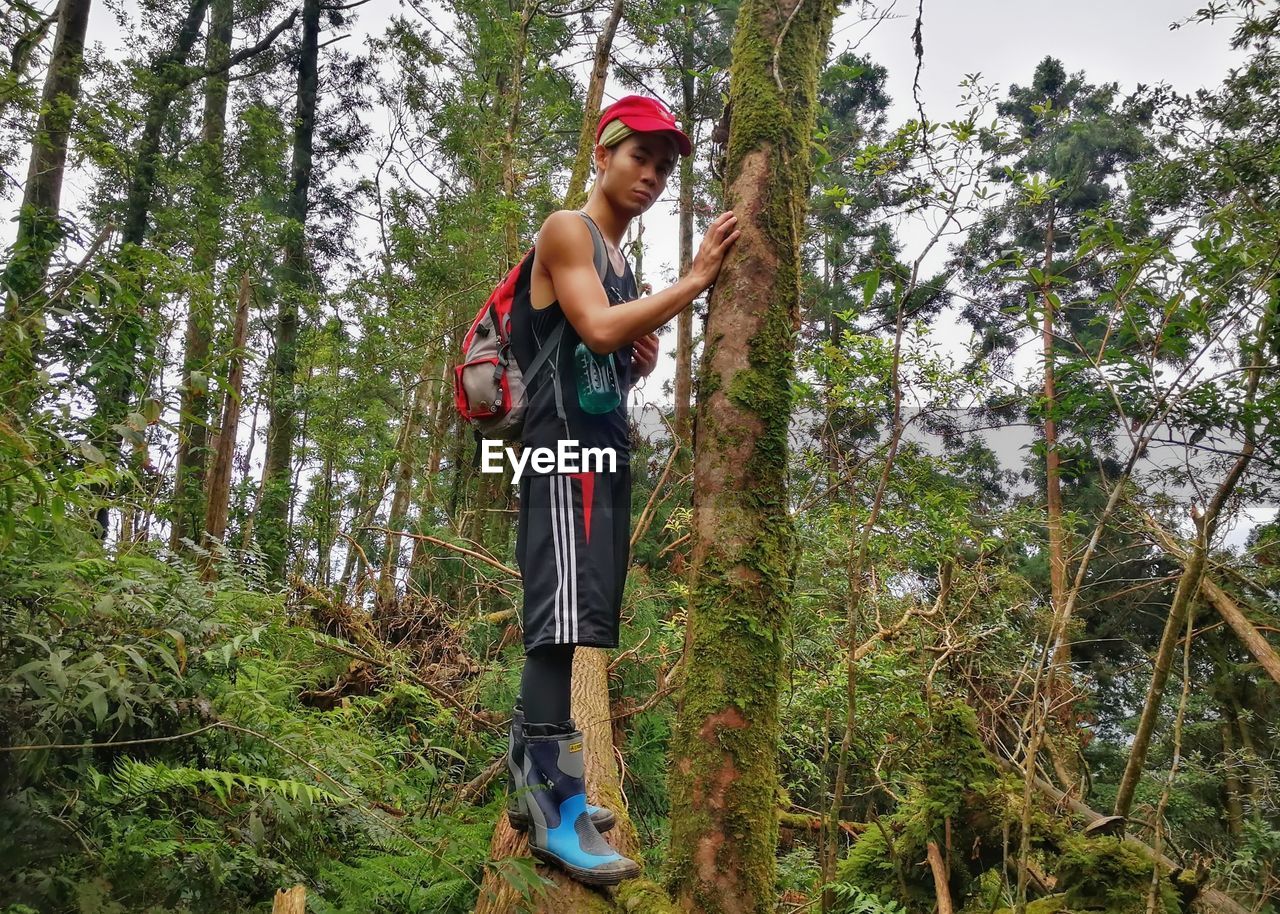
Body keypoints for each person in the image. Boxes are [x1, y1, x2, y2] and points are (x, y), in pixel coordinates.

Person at [503, 95, 741, 885]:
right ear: (603, 154)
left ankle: (545, 786)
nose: (651, 174)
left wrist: (632, 368)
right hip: (559, 455)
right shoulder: (567, 229)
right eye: (639, 156)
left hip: (598, 453)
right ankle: (554, 808)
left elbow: (598, 355)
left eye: (665, 166)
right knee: (556, 625)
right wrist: (700, 279)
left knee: (579, 617)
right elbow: (597, 330)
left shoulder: (618, 261)